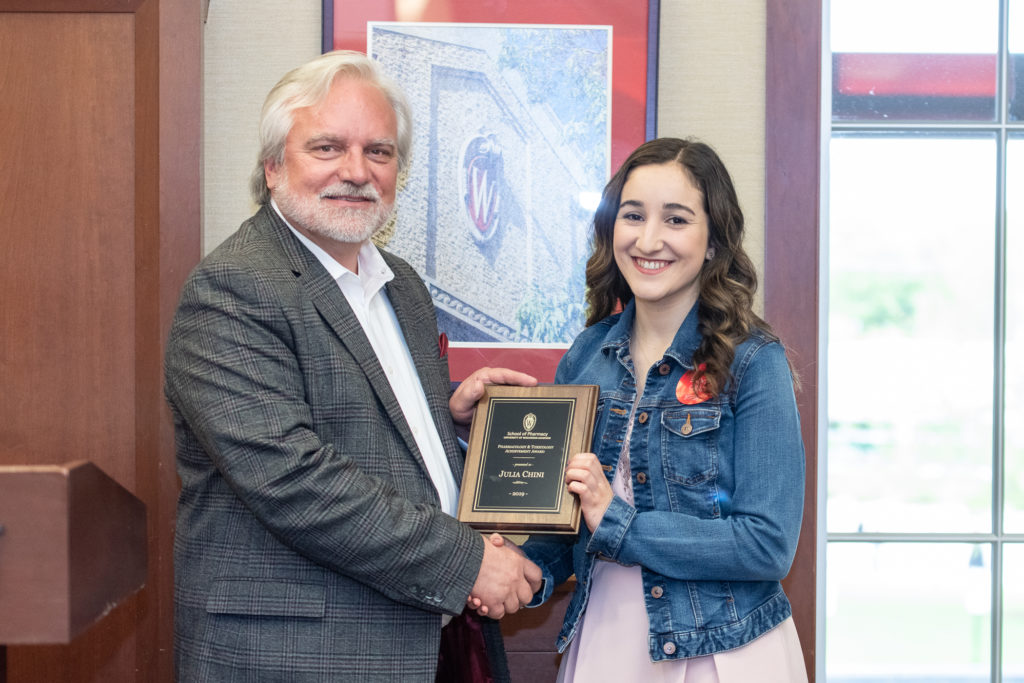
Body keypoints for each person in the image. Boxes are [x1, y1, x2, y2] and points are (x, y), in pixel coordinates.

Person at [164, 50, 541, 682]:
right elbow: (294, 479)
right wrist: (468, 562)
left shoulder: (404, 289)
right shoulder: (233, 286)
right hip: (296, 658)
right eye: (327, 147)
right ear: (273, 165)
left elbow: (364, 425)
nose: (356, 171)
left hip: (428, 642)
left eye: (380, 152)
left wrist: (444, 422)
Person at [518, 138, 808, 682]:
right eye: (633, 216)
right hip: (603, 637)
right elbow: (565, 524)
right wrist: (522, 571)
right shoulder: (587, 356)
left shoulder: (753, 361)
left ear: (714, 240)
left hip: (723, 650)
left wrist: (624, 526)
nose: (649, 239)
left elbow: (767, 546)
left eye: (675, 219)